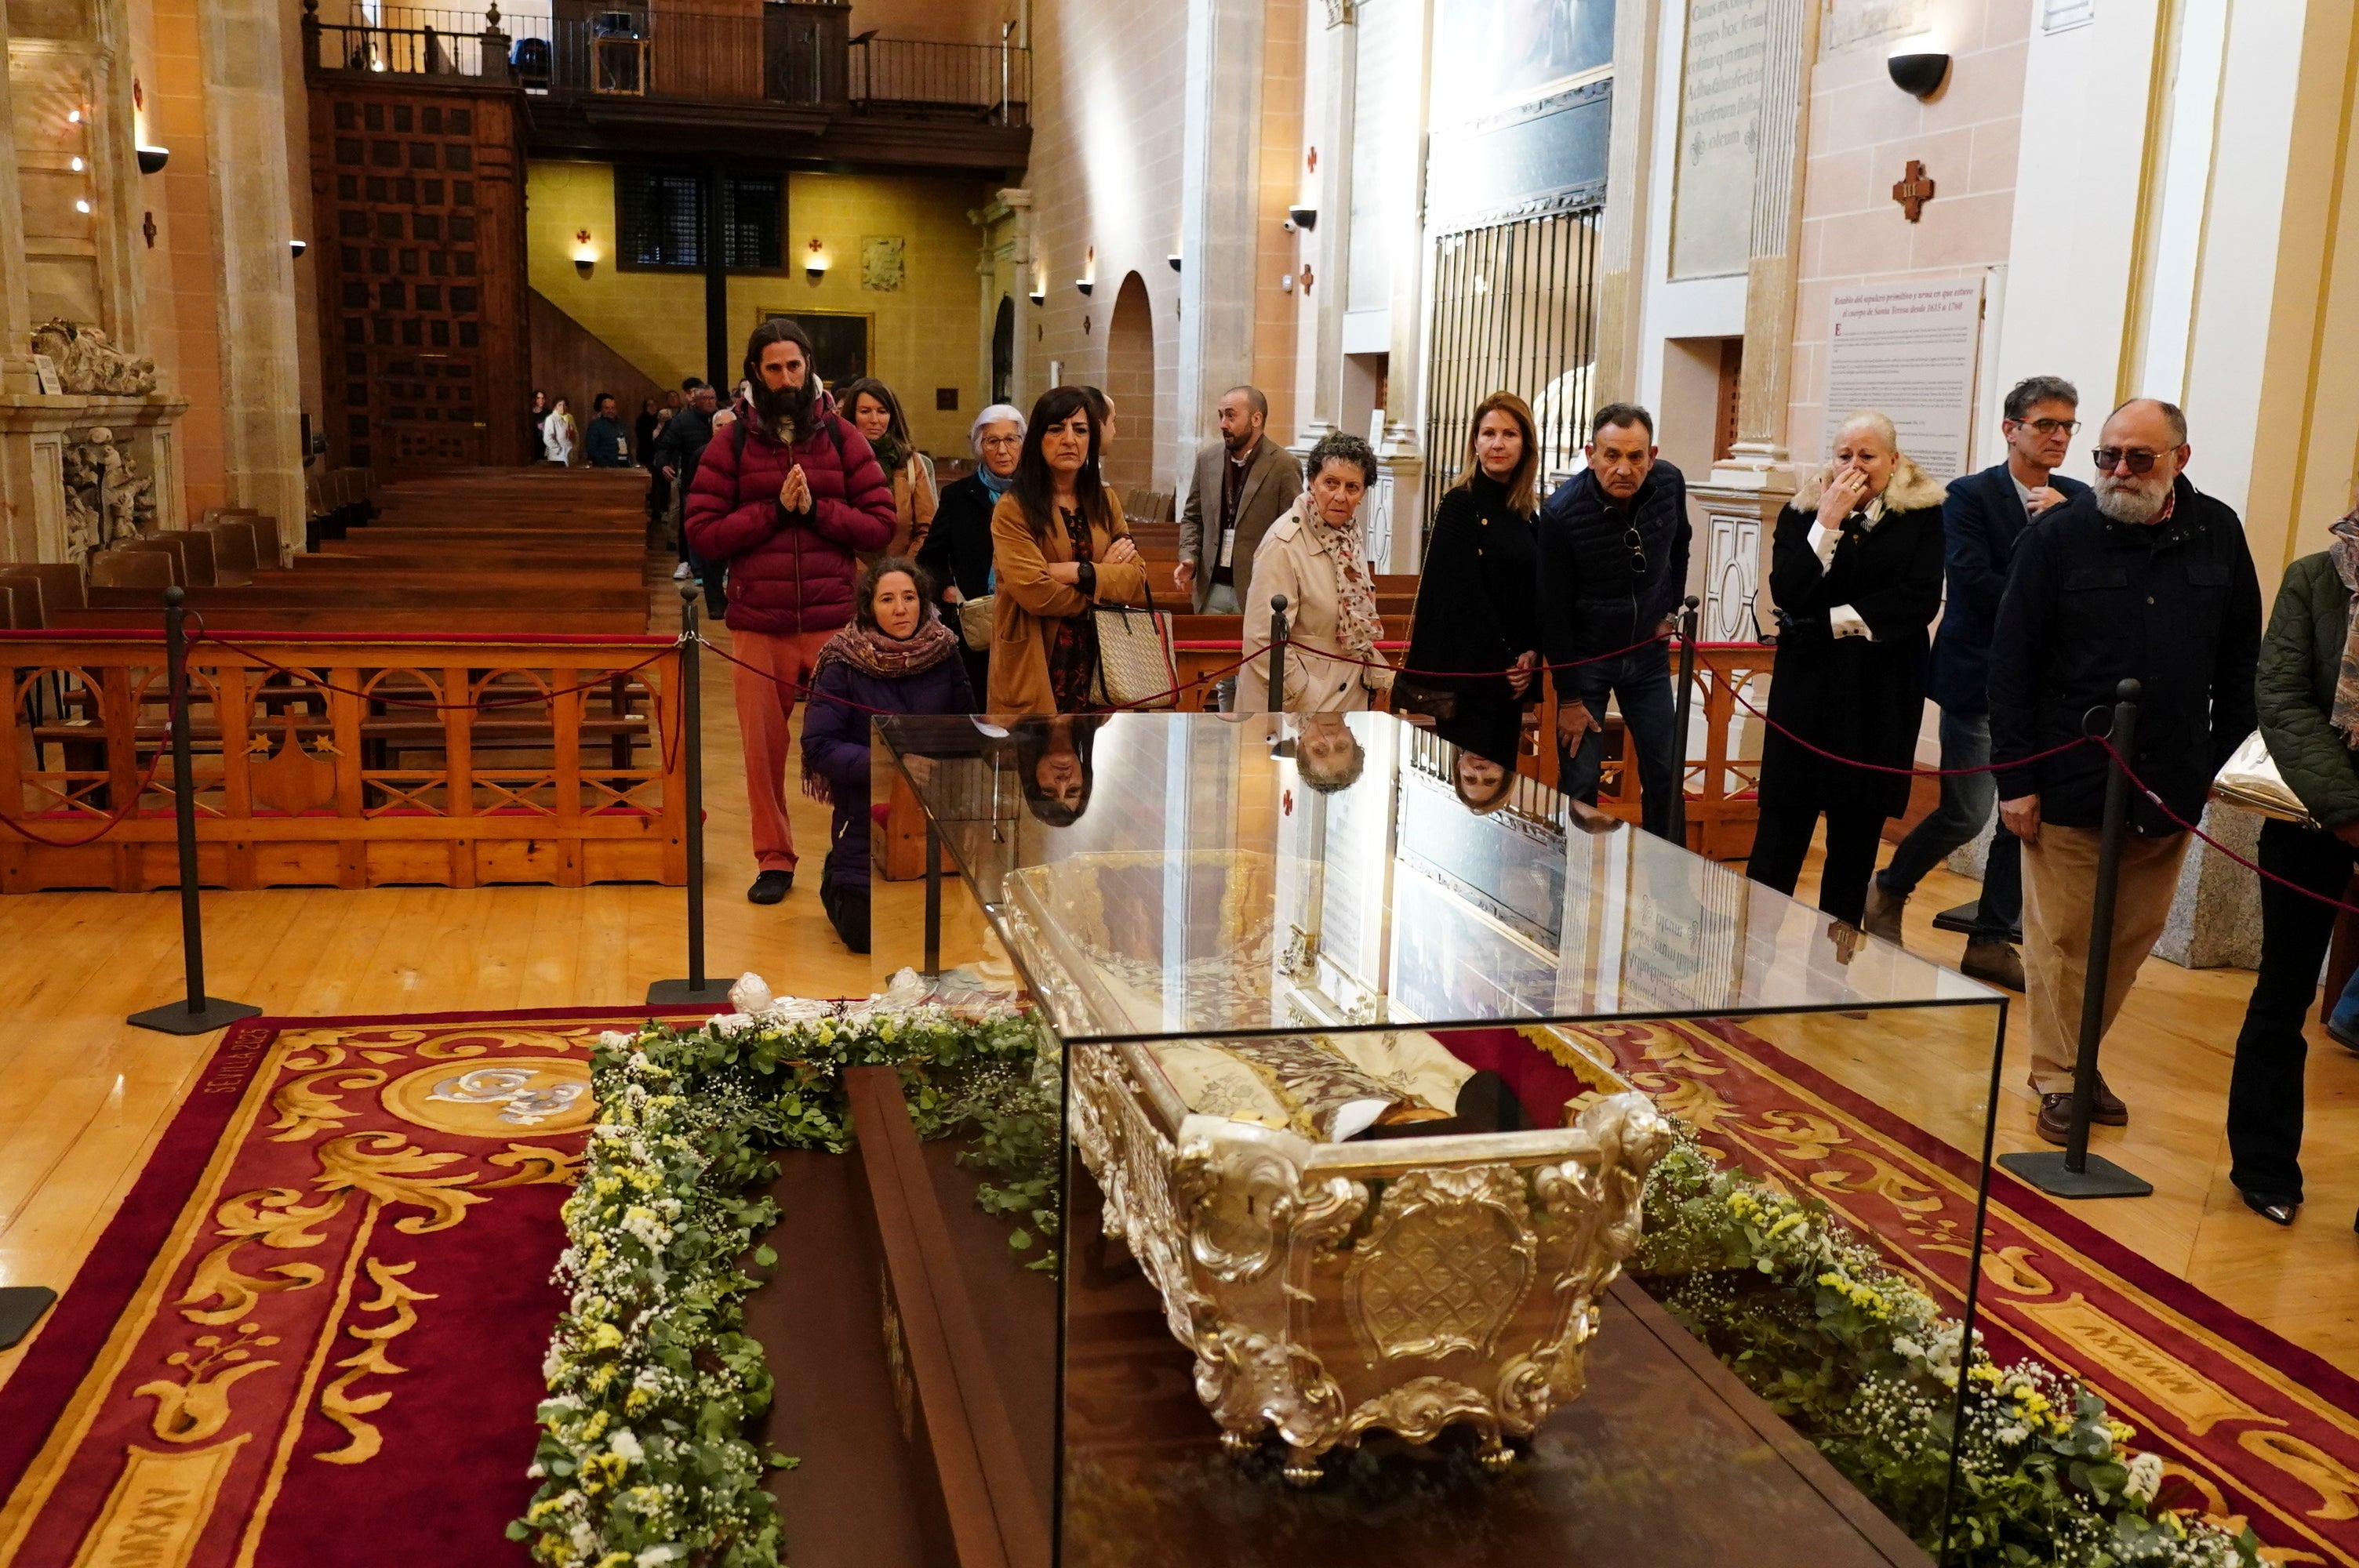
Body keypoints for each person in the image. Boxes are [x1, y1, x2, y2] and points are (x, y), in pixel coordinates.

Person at [1990, 398, 2261, 1145]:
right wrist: (2015, 778)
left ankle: (2080, 1060)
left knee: (2129, 937)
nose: (2118, 471)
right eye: (2106, 456)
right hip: (2067, 773)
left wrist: (2224, 763)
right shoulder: (2057, 538)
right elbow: (2011, 664)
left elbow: (2242, 661)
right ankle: (2057, 1076)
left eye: (2138, 458)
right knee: (2063, 938)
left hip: (2169, 778)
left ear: (2180, 457)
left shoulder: (2219, 533)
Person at [1863, 377, 2090, 989]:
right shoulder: (1967, 496)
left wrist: (2068, 529)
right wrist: (2045, 535)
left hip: (2049, 688)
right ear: (2011, 429)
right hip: (1979, 680)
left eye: (2068, 425)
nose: (2060, 436)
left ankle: (1990, 940)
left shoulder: (2078, 499)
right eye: (2046, 424)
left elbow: (2088, 591)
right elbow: (1976, 585)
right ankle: (1888, 889)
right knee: (1968, 813)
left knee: (2028, 817)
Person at [684, 320, 896, 904]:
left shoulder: (844, 437)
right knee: (762, 749)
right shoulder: (726, 445)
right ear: (756, 372)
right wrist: (774, 513)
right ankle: (773, 858)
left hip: (834, 619)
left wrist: (817, 511)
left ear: (808, 367)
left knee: (851, 744)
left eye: (793, 367)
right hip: (761, 624)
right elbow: (701, 533)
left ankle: (850, 850)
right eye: (773, 368)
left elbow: (882, 526)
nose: (785, 378)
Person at [1746, 410, 1946, 931]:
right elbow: (1790, 591)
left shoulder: (1922, 515)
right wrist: (1827, 523)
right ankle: (1749, 967)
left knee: (1855, 848)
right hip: (1807, 697)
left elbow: (1915, 601)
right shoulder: (1803, 513)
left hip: (1879, 701)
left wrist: (1833, 623)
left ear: (1893, 461)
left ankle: (1833, 973)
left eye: (1867, 456)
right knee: (1779, 840)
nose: (1854, 466)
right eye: (1844, 455)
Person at [2225, 493, 2359, 1228]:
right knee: (2283, 994)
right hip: (2315, 817)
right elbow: (2280, 696)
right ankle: (2265, 1168)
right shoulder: (2315, 578)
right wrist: (2348, 814)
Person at [799, 556, 976, 953]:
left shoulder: (945, 650)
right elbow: (820, 747)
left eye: (910, 597)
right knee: (866, 937)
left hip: (935, 809)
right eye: (887, 599)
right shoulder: (843, 658)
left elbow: (965, 728)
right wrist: (892, 763)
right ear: (869, 607)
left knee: (946, 936)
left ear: (923, 602)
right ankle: (834, 871)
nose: (900, 609)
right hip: (866, 812)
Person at [1536, 403, 1692, 838]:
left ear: (1652, 455)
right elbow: (1552, 611)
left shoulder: (1669, 484)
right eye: (1611, 456)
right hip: (1585, 662)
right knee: (1582, 785)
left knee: (1667, 773)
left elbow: (1680, 544)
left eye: (1635, 456)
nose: (1624, 468)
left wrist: (1669, 608)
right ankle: (1576, 891)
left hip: (1647, 657)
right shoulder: (1560, 514)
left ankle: (1670, 890)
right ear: (1590, 454)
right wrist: (1568, 698)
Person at [986, 386, 1150, 715]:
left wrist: (1081, 572)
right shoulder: (1014, 508)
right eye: (1056, 429)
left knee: (1098, 763)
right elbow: (1035, 592)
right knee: (1037, 761)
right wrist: (1102, 586)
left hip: (1102, 661)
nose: (1069, 439)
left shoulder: (1106, 502)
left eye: (1080, 430)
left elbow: (1136, 578)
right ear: (1038, 438)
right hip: (1040, 658)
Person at [1401, 390, 1542, 768]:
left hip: (1512, 681)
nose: (1498, 443)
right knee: (1467, 786)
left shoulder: (1526, 513)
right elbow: (1458, 595)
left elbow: (1536, 592)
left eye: (1510, 434)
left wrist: (1530, 654)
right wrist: (1508, 660)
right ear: (1475, 443)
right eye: (1488, 433)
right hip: (1470, 677)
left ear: (1526, 444)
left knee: (1501, 789)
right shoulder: (1459, 504)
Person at [1237, 431, 1393, 714]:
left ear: (1363, 493)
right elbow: (1261, 639)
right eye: (1330, 483)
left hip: (1346, 697)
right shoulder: (1284, 543)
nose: (1340, 496)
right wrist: (1305, 695)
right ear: (1311, 482)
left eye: (1352, 487)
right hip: (1295, 706)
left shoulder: (1348, 537)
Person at [919, 402, 1024, 701]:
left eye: (1010, 439)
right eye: (992, 441)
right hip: (975, 623)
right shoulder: (958, 497)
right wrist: (946, 590)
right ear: (980, 447)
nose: (1002, 450)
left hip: (1027, 617)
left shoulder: (1037, 496)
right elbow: (929, 561)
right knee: (978, 705)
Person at [1176, 386, 1303, 617]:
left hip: (1258, 591)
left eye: (1231, 416)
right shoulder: (1208, 460)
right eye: (1221, 415)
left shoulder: (1283, 465)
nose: (1223, 424)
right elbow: (1192, 517)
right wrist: (1189, 557)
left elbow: (1294, 530)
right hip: (1210, 588)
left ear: (1256, 419)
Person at [839, 376, 937, 559]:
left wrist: (904, 571)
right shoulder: (838, 460)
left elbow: (927, 528)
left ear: (892, 416)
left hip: (902, 573)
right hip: (852, 576)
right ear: (852, 415)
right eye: (865, 411)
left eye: (882, 411)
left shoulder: (910, 462)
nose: (874, 420)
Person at [657, 381, 721, 612]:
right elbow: (665, 445)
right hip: (694, 482)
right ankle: (697, 568)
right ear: (696, 400)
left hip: (723, 484)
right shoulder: (683, 422)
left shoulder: (723, 416)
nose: (712, 403)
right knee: (694, 526)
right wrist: (664, 464)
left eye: (714, 398)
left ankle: (718, 570)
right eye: (707, 399)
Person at [1014, 713, 1100, 825]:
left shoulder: (1004, 720)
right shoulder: (1097, 718)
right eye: (1073, 789)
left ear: (1033, 778)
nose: (1062, 782)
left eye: (1049, 790)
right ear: (1085, 777)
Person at [584, 393, 631, 468]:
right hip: (605, 468)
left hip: (624, 466)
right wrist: (605, 465)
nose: (610, 411)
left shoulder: (621, 424)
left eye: (613, 408)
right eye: (607, 408)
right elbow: (592, 449)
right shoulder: (595, 425)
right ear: (601, 410)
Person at [540, 396, 576, 466]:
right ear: (555, 407)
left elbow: (575, 433)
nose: (562, 407)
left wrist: (575, 447)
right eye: (559, 405)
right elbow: (548, 438)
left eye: (564, 405)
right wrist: (558, 450)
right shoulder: (551, 419)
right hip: (558, 457)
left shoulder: (569, 417)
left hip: (570, 453)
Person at [634, 397, 662, 470]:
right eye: (649, 405)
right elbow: (642, 437)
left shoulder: (660, 418)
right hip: (646, 455)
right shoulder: (642, 420)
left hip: (660, 455)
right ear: (645, 407)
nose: (652, 407)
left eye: (654, 404)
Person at [525, 389, 548, 463]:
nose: (541, 400)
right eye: (538, 398)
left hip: (545, 442)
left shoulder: (548, 412)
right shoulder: (529, 414)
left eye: (543, 398)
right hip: (533, 442)